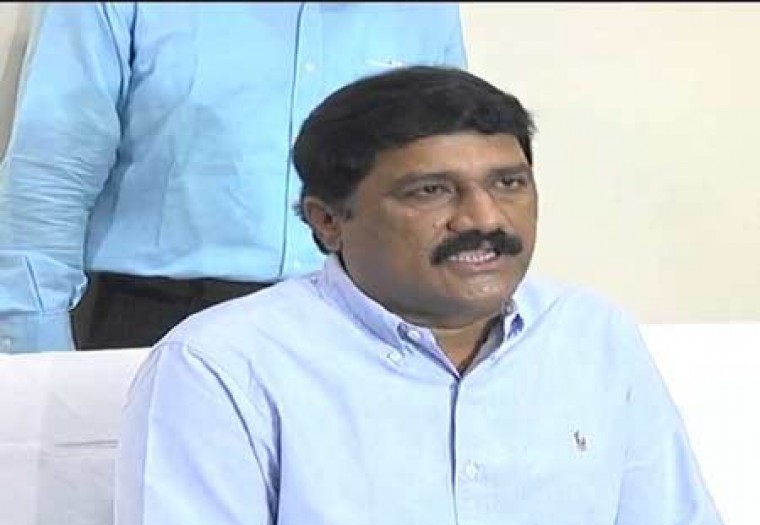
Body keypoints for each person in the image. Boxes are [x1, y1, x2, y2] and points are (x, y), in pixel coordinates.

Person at [114, 66, 739, 525]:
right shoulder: (222, 367)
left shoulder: (590, 334)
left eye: (509, 183)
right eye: (431, 191)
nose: (484, 219)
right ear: (327, 221)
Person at [0, 2, 466, 353]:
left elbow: (450, 176)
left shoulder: (423, 11)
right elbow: (50, 176)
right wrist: (39, 353)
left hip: (363, 325)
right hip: (161, 319)